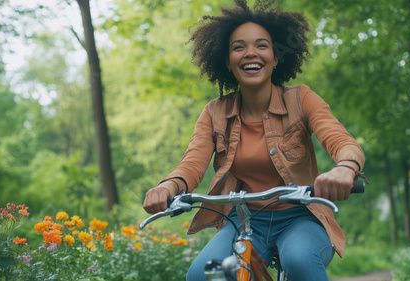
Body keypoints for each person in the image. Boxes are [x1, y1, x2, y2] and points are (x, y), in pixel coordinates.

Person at [143, 1, 367, 280]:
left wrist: (345, 168)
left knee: (298, 259)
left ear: (275, 57)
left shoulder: (301, 99)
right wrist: (168, 186)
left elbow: (341, 141)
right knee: (202, 275)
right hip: (243, 220)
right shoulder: (214, 113)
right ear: (227, 60)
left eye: (262, 46)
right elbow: (192, 163)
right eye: (239, 47)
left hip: (302, 217)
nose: (251, 53)